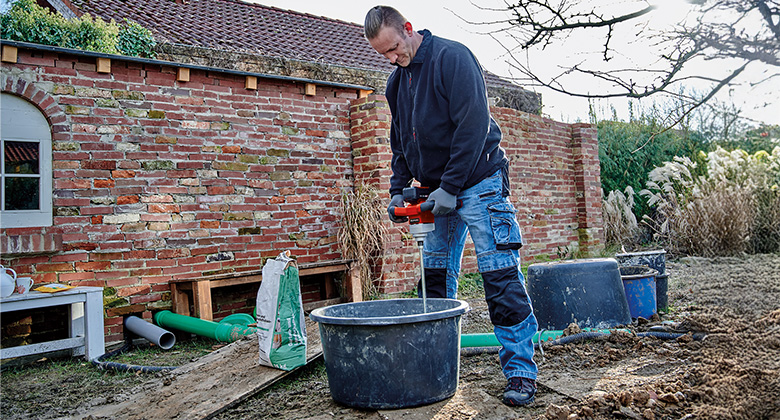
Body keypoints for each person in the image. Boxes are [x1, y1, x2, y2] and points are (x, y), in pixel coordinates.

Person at [364, 5, 540, 407]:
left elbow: (473, 125)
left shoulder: (452, 58)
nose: (392, 59)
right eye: (384, 55)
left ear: (407, 29)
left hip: (478, 181)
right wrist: (397, 188)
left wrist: (452, 186)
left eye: (394, 48)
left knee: (499, 276)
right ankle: (437, 365)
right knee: (435, 282)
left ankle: (520, 373)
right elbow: (400, 142)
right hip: (433, 193)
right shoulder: (396, 84)